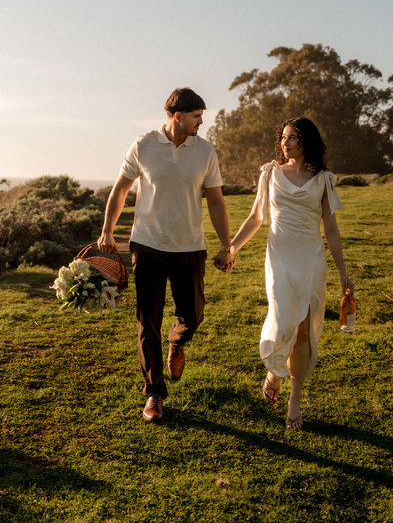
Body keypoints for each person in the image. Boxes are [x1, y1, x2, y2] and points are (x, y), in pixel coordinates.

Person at [97, 87, 234, 424]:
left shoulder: (205, 152)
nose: (201, 123)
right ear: (178, 117)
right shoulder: (143, 146)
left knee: (193, 315)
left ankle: (178, 341)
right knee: (148, 324)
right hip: (148, 246)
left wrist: (225, 244)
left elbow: (215, 200)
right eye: (196, 117)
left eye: (201, 117)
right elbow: (121, 190)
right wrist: (107, 231)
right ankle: (154, 394)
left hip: (190, 248)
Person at [227, 116, 354, 429]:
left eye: (294, 137)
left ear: (306, 141)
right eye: (283, 137)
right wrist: (230, 249)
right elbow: (257, 217)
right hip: (280, 258)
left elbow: (331, 229)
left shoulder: (323, 178)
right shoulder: (270, 174)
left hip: (310, 260)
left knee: (303, 331)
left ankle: (294, 398)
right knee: (283, 319)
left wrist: (343, 273)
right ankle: (275, 368)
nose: (286, 143)